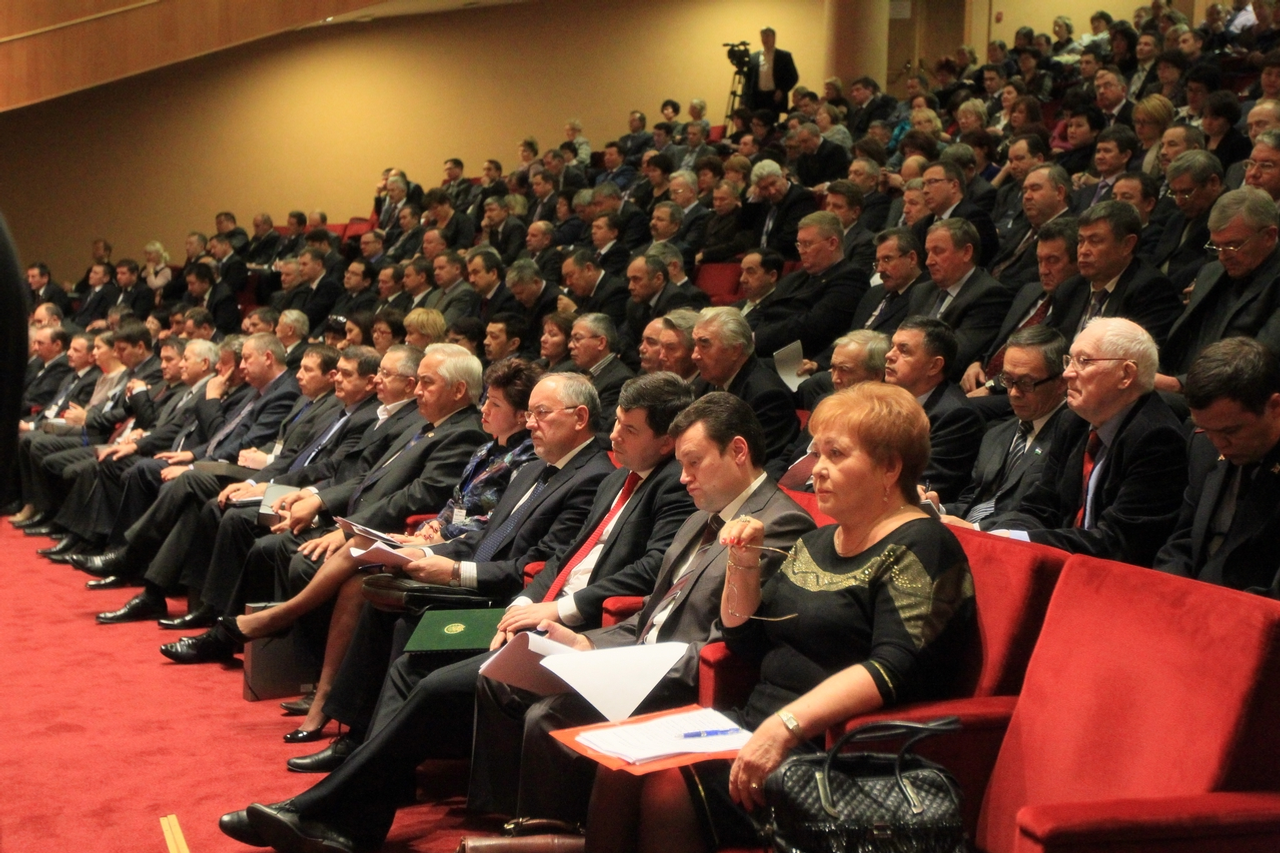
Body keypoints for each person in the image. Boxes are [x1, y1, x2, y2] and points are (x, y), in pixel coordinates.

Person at [586, 382, 974, 853]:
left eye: (836, 454)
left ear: (890, 467)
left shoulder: (922, 543)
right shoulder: (818, 542)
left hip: (832, 751)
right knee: (619, 761)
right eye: (817, 453)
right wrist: (743, 563)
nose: (818, 469)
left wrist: (785, 727)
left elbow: (893, 668)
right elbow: (744, 639)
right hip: (756, 722)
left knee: (669, 786)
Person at [985, 318, 1188, 567]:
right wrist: (1002, 535)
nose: (1067, 373)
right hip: (1065, 562)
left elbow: (1119, 543)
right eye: (1069, 360)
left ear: (1126, 375)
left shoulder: (1157, 439)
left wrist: (1018, 540)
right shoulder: (1073, 421)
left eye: (1083, 361)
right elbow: (1040, 507)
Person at [1154, 337, 1280, 592]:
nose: (1219, 443)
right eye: (1206, 428)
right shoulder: (1203, 444)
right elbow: (1184, 540)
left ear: (1275, 407)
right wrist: (1167, 591)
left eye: (1230, 431)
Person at [934, 326, 1071, 526]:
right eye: (1007, 379)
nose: (1014, 393)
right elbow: (973, 502)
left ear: (1061, 382)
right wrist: (938, 509)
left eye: (1026, 383)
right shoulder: (996, 434)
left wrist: (977, 530)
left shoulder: (1072, 437)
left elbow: (1043, 517)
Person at [690, 307, 799, 465]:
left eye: (704, 345)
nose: (694, 355)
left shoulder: (768, 397)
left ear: (735, 350)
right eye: (695, 344)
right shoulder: (701, 384)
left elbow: (752, 464)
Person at [743, 27, 798, 116]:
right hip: (757, 98)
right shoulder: (753, 57)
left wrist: (782, 90)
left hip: (775, 97)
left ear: (774, 38)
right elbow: (748, 80)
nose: (765, 39)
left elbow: (793, 77)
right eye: (763, 36)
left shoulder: (784, 56)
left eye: (768, 36)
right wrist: (745, 100)